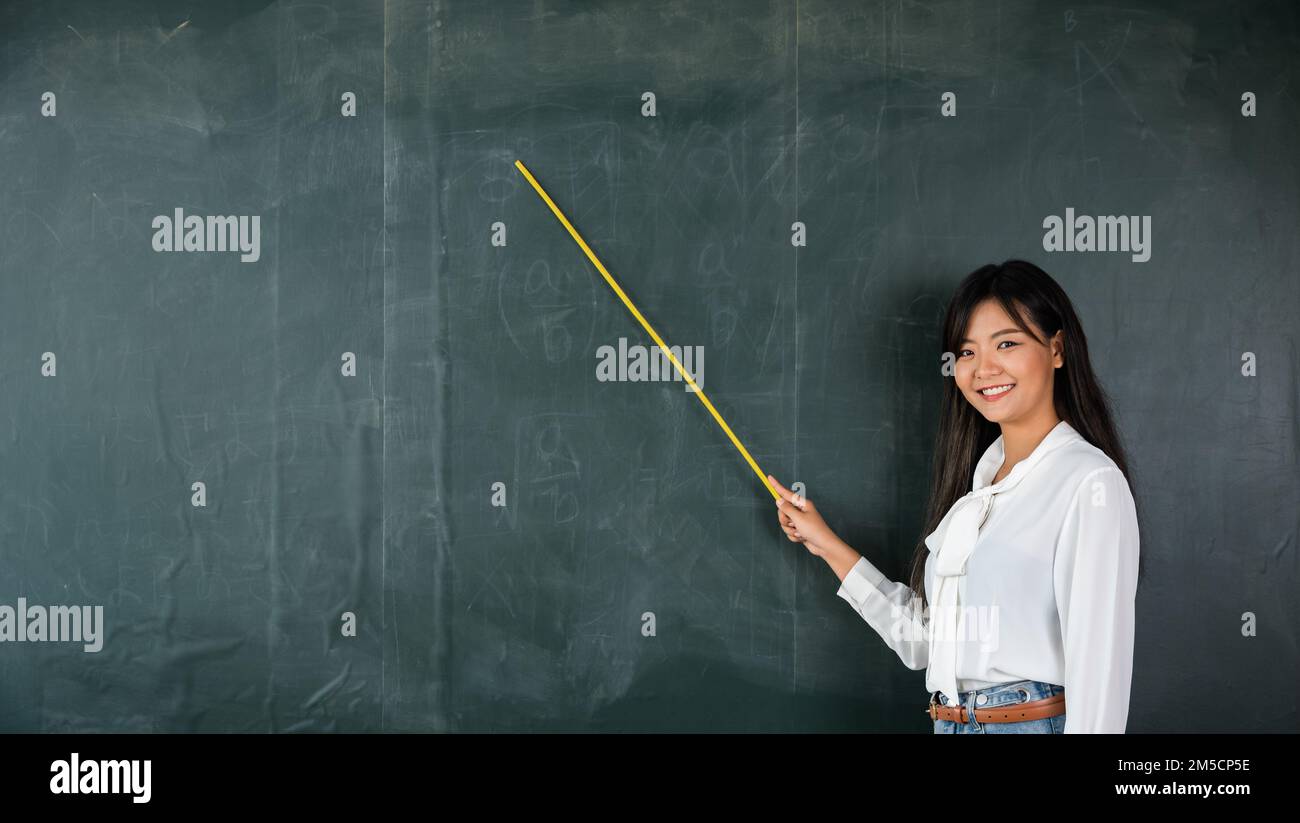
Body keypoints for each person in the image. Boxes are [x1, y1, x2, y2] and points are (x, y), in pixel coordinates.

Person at [769, 260, 1142, 734]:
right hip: (951, 722)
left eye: (1006, 343)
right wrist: (825, 544)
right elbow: (923, 642)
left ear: (1057, 348)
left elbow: (1100, 669)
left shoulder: (1088, 483)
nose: (984, 369)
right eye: (966, 352)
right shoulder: (977, 490)